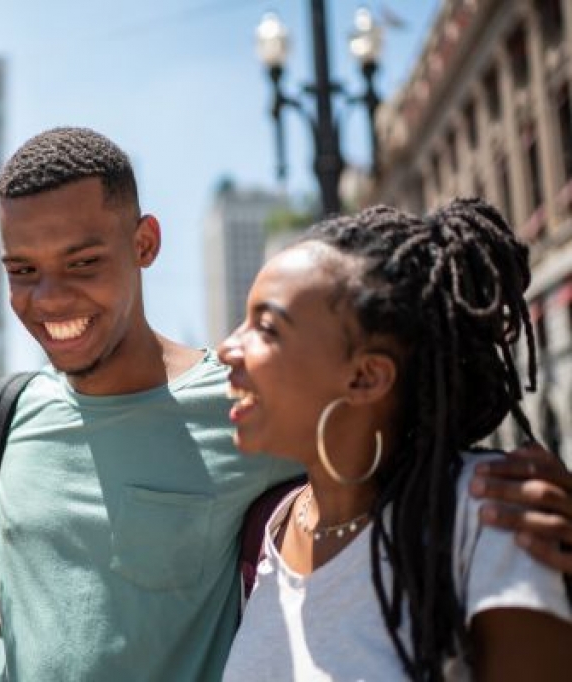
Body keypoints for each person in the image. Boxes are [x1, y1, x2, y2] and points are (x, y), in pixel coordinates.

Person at [0, 126, 572, 681]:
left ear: (145, 244)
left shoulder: (253, 411)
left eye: (82, 262)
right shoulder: (9, 417)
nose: (49, 298)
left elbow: (389, 438)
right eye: (23, 269)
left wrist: (517, 488)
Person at [219, 199, 572, 680]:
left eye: (266, 327)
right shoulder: (269, 531)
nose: (226, 349)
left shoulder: (487, 514)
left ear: (366, 377)